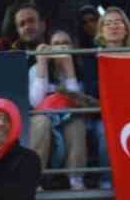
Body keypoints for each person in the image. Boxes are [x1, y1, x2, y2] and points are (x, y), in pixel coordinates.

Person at [27, 29, 89, 191]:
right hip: (43, 116)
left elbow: (77, 103)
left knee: (76, 123)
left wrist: (69, 70)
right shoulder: (35, 69)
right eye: (56, 44)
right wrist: (42, 65)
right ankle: (34, 179)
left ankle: (75, 178)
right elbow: (35, 102)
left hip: (68, 115)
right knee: (41, 122)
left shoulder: (81, 68)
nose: (61, 48)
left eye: (65, 43)